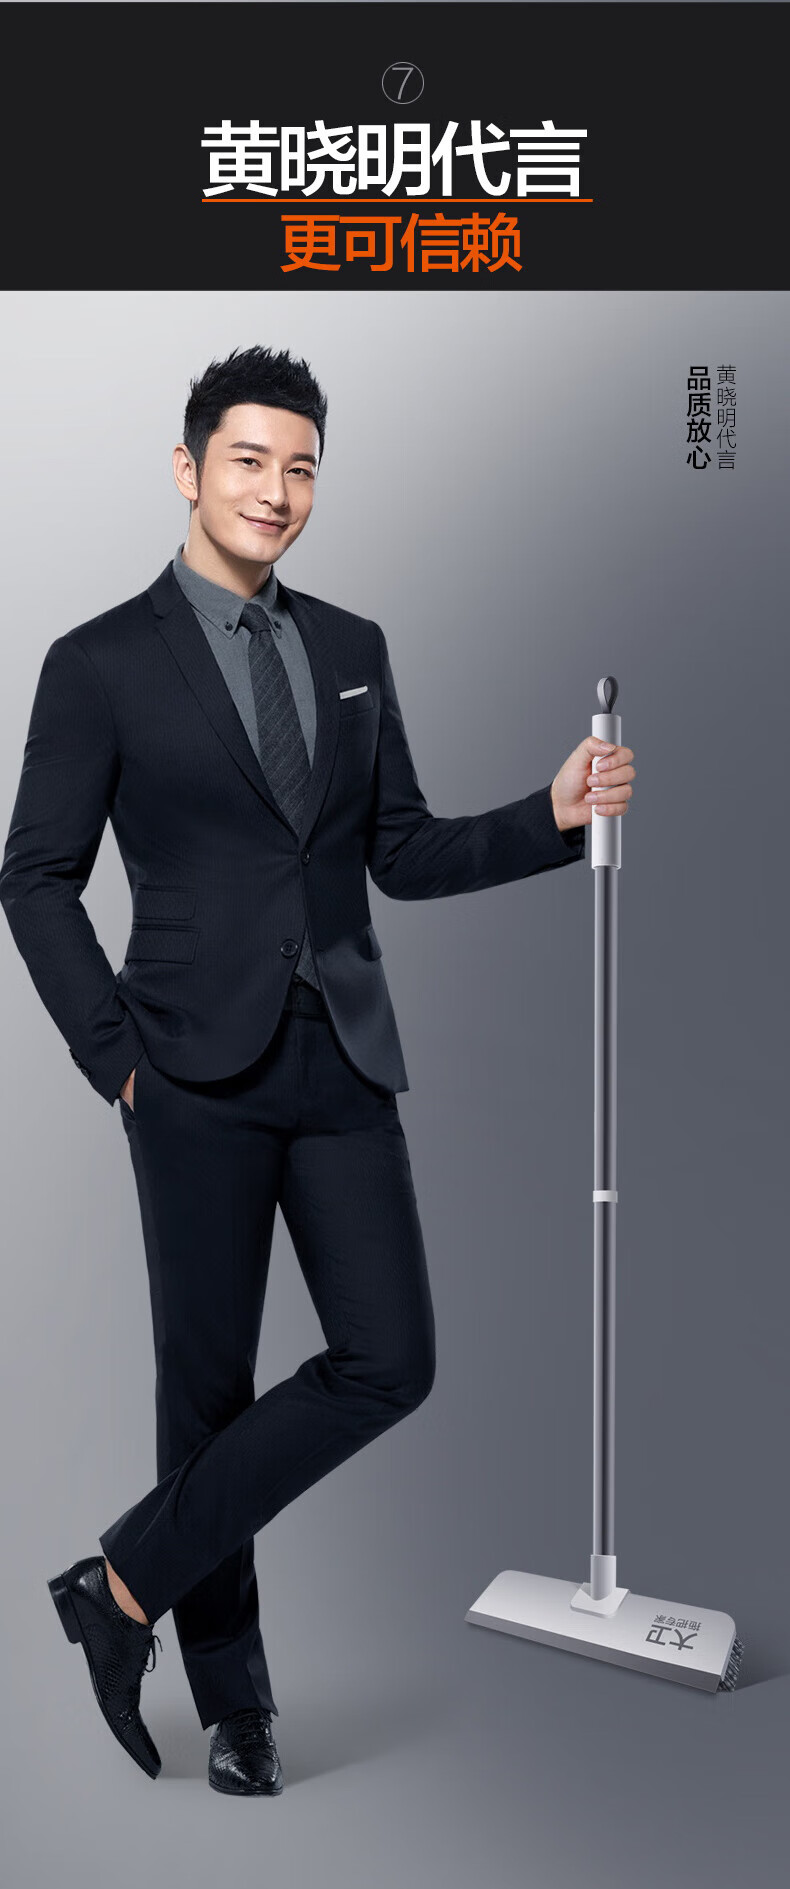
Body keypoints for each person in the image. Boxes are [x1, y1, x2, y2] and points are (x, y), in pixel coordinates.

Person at [0, 344, 635, 1795]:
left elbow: (397, 851)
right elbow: (34, 877)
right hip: (187, 1070)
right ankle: (237, 1706)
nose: (276, 491)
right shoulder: (99, 662)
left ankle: (117, 1587)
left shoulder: (350, 644)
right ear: (188, 468)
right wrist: (117, 1060)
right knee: (206, 1393)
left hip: (342, 1053)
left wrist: (546, 815)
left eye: (301, 469)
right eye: (249, 460)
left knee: (388, 1358)